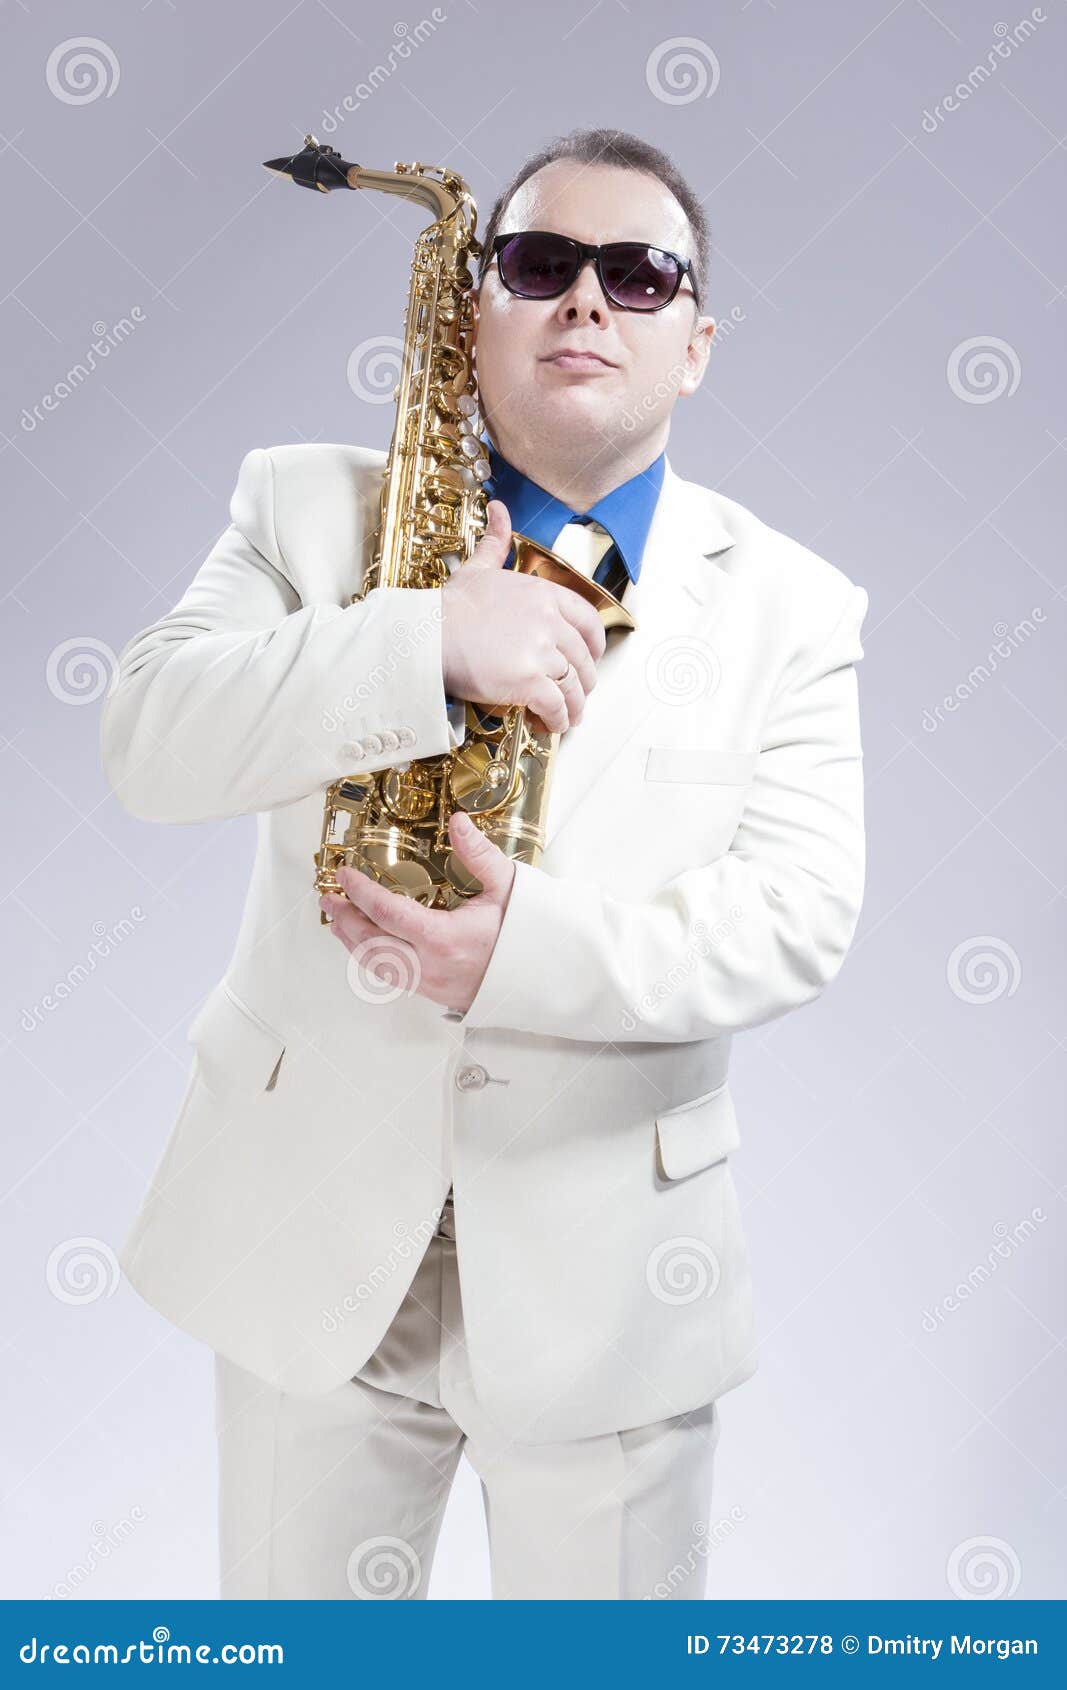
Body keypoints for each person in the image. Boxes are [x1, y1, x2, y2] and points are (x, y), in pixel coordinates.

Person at [100, 127, 868, 1601]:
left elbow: (797, 914)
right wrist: (423, 641)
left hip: (612, 1277)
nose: (586, 299)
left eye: (640, 276)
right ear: (472, 306)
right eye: (539, 261)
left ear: (696, 346)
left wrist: (525, 957)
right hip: (308, 1240)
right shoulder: (302, 507)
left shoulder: (796, 607)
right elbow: (149, 738)